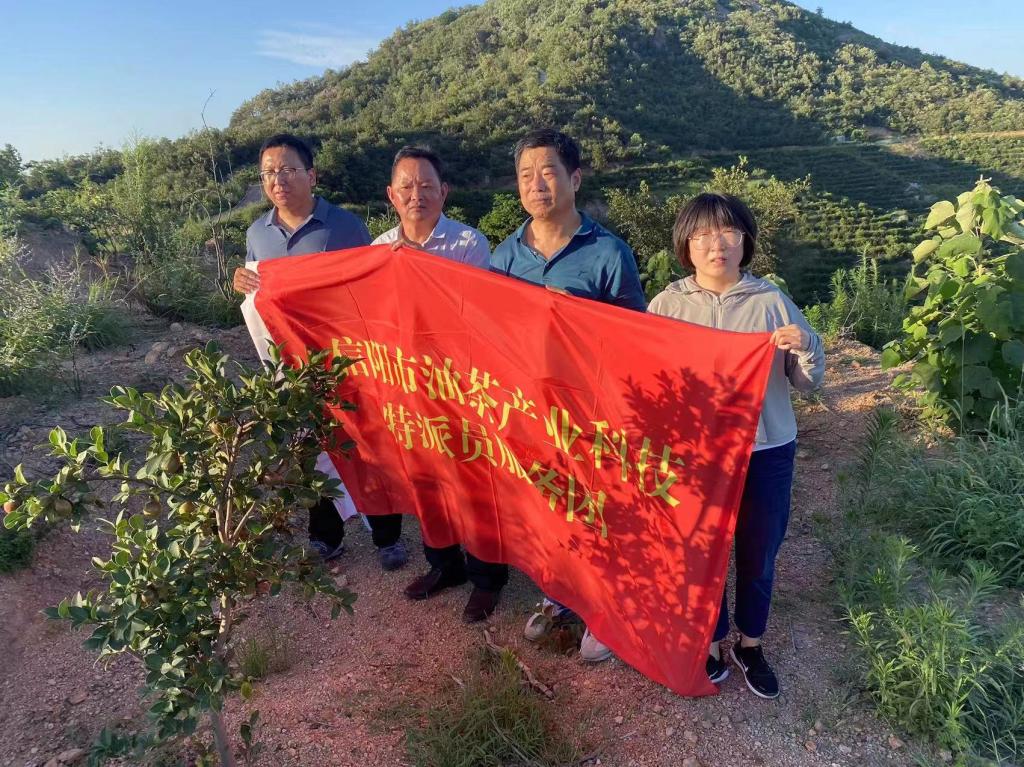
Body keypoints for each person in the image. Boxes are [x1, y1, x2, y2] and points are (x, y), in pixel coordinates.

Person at [647, 192, 825, 699]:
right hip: (696, 454)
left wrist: (807, 347)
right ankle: (709, 639)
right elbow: (648, 381)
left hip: (765, 450)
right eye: (703, 234)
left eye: (728, 232)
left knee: (758, 551)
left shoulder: (771, 302)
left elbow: (807, 383)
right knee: (699, 550)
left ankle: (750, 643)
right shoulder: (666, 306)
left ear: (745, 240)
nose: (716, 244)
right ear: (686, 244)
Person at [491, 128, 646, 658]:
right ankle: (557, 596)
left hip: (590, 407)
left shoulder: (608, 252)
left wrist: (577, 318)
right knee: (547, 505)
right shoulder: (505, 255)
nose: (537, 184)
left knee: (598, 506)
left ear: (574, 178)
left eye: (548, 172)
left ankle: (604, 611)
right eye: (525, 175)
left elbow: (634, 336)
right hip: (530, 407)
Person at [234, 133, 409, 571]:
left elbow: (371, 288)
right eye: (268, 172)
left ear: (311, 175)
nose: (278, 180)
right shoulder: (257, 233)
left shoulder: (345, 226)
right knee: (309, 447)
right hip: (293, 367)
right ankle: (325, 535)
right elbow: (256, 291)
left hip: (347, 363)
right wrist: (241, 281)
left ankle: (387, 535)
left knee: (366, 445)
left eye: (288, 170)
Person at [368, 145, 499, 622]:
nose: (416, 195)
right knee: (425, 480)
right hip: (407, 384)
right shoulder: (379, 250)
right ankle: (444, 565)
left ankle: (486, 579)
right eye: (406, 186)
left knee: (475, 483)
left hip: (460, 385)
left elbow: (475, 314)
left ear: (444, 192)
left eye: (426, 185)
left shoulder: (467, 243)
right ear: (391, 194)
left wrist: (417, 271)